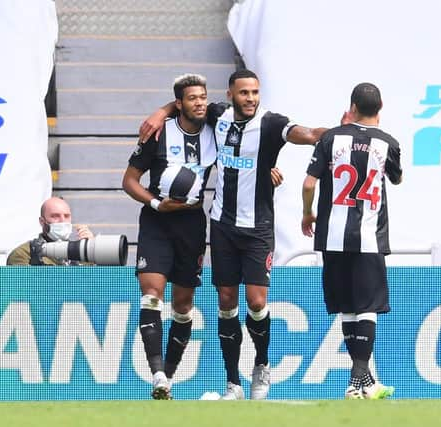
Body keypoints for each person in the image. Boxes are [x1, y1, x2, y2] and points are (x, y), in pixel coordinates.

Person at [140, 69, 327, 400]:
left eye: (255, 92)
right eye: (244, 93)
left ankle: (262, 364)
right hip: (222, 226)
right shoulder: (216, 116)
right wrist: (161, 111)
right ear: (230, 95)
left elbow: (309, 133)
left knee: (257, 302)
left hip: (257, 228)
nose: (250, 98)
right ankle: (233, 384)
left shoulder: (270, 123)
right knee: (226, 302)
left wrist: (344, 133)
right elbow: (185, 103)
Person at [301, 82, 402, 400]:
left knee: (347, 306)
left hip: (332, 235)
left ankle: (364, 383)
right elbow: (397, 178)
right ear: (380, 109)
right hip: (369, 236)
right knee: (368, 307)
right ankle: (358, 378)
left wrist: (308, 214)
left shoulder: (331, 137)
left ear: (352, 107)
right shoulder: (388, 143)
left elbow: (308, 183)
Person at [122, 73, 217, 400]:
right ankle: (157, 372)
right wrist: (155, 203)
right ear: (179, 103)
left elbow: (247, 136)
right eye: (192, 98)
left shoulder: (216, 128)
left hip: (192, 224)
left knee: (183, 304)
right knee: (151, 294)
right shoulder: (159, 135)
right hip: (157, 220)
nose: (200, 103)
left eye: (203, 97)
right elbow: (130, 180)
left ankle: (169, 378)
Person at [7, 196, 94, 265]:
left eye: (66, 216)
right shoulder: (24, 254)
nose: (62, 221)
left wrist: (93, 250)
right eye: (55, 216)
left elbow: (96, 283)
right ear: (42, 221)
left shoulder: (81, 253)